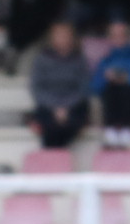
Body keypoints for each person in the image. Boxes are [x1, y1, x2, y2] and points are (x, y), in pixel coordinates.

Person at [27, 20, 91, 149]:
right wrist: (55, 107)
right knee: (51, 126)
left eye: (65, 35)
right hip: (48, 106)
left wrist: (65, 107)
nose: (63, 39)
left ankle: (54, 157)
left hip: (74, 107)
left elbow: (83, 88)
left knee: (68, 124)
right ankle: (56, 156)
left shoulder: (80, 60)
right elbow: (36, 87)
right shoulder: (42, 59)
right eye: (59, 35)